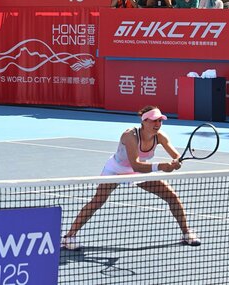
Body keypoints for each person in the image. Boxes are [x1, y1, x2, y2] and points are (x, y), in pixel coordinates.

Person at [61, 106, 201, 250]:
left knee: (172, 196)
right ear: (144, 121)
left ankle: (186, 233)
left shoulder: (160, 136)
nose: (158, 124)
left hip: (139, 171)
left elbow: (176, 157)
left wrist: (176, 163)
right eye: (153, 121)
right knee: (98, 201)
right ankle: (69, 237)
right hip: (116, 170)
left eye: (160, 120)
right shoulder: (130, 136)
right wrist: (161, 166)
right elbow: (136, 166)